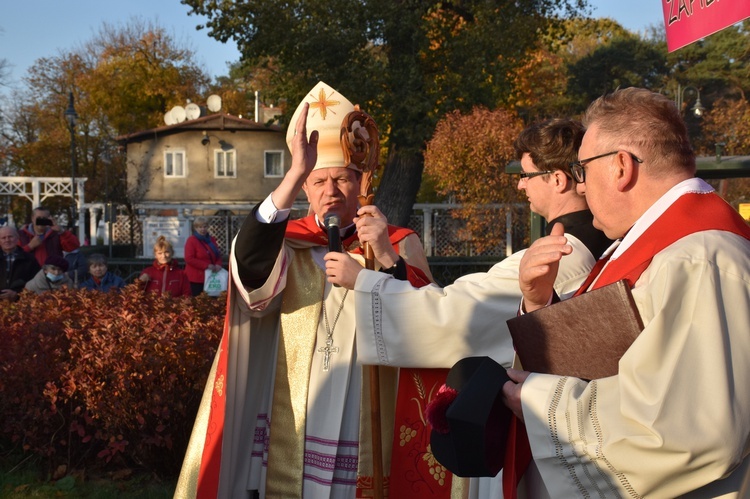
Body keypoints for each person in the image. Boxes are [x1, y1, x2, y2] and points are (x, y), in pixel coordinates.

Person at [326, 118, 613, 497]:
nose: (520, 184)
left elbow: (458, 316)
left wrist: (362, 282)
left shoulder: (561, 255)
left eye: (527, 175)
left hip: (539, 438)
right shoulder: (588, 247)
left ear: (557, 180)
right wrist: (389, 259)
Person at [174, 81, 433, 499]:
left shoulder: (398, 242)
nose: (330, 192)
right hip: (299, 398)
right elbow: (252, 284)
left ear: (361, 181)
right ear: (306, 189)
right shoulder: (289, 241)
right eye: (318, 181)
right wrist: (295, 171)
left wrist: (385, 258)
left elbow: (431, 321)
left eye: (342, 179)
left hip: (364, 401)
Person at [501, 87, 750, 497]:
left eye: (583, 170)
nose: (580, 188)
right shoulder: (657, 248)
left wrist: (541, 401)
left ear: (620, 167)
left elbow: (685, 430)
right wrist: (541, 303)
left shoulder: (698, 258)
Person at [183, 217, 223, 296]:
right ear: (195, 228)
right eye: (200, 227)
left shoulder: (211, 240)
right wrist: (206, 265)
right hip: (196, 278)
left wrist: (218, 264)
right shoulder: (191, 240)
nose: (202, 229)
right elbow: (189, 258)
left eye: (204, 227)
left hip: (211, 277)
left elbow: (217, 255)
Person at [0, 226, 41, 301]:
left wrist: (17, 294)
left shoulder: (30, 259)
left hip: (21, 305)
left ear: (17, 238)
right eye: (3, 238)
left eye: (10, 237)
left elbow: (37, 283)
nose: (7, 240)